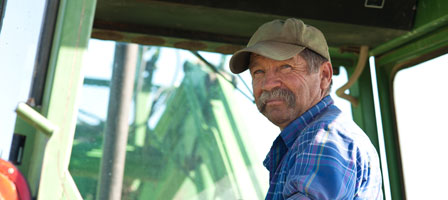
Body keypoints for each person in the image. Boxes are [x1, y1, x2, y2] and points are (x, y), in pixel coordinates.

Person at [229, 18, 383, 199]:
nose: (268, 84)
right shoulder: (305, 141)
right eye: (258, 72)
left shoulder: (324, 139)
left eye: (285, 67)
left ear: (324, 75)